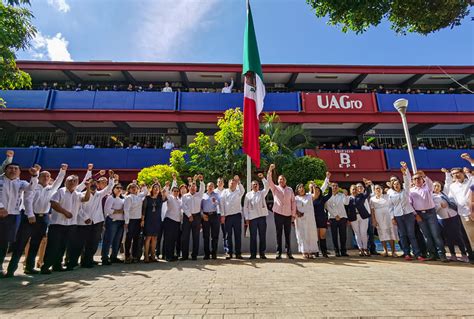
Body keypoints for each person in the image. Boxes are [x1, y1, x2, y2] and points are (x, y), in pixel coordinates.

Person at [6, 164, 67, 276]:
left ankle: (29, 268)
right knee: (20, 244)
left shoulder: (51, 189)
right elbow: (27, 200)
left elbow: (59, 181)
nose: (46, 178)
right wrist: (30, 214)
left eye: (48, 176)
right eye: (43, 176)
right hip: (29, 218)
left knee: (35, 244)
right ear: (38, 177)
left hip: (42, 218)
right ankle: (11, 270)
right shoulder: (33, 187)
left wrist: (62, 170)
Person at [40, 175, 91, 274]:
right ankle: (45, 266)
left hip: (71, 225)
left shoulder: (77, 193)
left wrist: (88, 188)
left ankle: (57, 265)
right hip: (57, 224)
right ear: (65, 182)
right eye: (70, 180)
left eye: (75, 181)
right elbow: (53, 203)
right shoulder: (60, 191)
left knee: (63, 246)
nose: (72, 182)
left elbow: (86, 199)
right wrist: (65, 212)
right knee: (53, 246)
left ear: (77, 183)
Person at [0, 163, 40, 278]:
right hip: (0, 213)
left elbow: (31, 188)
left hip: (13, 216)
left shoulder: (21, 183)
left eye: (16, 169)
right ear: (5, 170)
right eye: (10, 168)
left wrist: (34, 176)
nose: (13, 170)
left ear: (19, 172)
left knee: (5, 242)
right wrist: (1, 207)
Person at [72, 171, 115, 269]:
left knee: (94, 242)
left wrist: (111, 178)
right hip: (84, 222)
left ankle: (89, 260)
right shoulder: (81, 194)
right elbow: (79, 209)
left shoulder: (99, 194)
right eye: (91, 183)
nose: (93, 185)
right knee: (81, 243)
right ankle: (76, 262)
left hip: (97, 222)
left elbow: (109, 188)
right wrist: (85, 218)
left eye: (95, 184)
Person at [406, 164, 448, 262]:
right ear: (413, 181)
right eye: (415, 179)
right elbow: (410, 204)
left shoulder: (427, 188)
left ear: (422, 179)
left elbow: (430, 183)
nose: (417, 180)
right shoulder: (411, 191)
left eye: (419, 178)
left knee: (436, 234)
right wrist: (416, 215)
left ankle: (442, 254)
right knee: (427, 235)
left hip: (430, 213)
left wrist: (424, 175)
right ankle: (432, 254)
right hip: (419, 214)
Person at [389, 164, 425, 261]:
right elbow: (390, 207)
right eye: (394, 184)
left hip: (409, 215)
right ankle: (406, 253)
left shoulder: (406, 191)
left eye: (398, 184)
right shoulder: (390, 194)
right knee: (403, 235)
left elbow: (408, 181)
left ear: (400, 184)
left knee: (411, 234)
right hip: (398, 216)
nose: (396, 185)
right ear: (392, 186)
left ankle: (417, 254)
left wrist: (405, 173)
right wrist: (392, 218)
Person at [432, 181, 469, 262]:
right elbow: (433, 209)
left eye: (438, 186)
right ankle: (453, 254)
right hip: (442, 218)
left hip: (453, 216)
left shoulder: (444, 194)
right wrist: (439, 206)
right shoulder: (432, 197)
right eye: (434, 186)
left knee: (458, 235)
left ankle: (464, 254)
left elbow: (447, 183)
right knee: (448, 237)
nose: (436, 188)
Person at [445, 153, 474, 251]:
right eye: (453, 174)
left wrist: (470, 160)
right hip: (464, 214)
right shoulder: (452, 186)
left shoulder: (470, 180)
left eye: (457, 173)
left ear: (462, 173)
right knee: (471, 237)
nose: (455, 175)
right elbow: (451, 200)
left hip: (473, 210)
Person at [267, 164, 296, 259]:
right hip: (278, 214)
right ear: (278, 181)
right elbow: (269, 180)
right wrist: (270, 170)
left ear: (285, 181)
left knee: (288, 234)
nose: (281, 181)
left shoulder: (290, 189)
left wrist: (293, 215)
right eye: (280, 179)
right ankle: (278, 252)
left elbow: (293, 202)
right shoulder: (275, 188)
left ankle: (288, 252)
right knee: (278, 233)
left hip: (288, 214)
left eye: (283, 179)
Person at [243, 173, 269, 259]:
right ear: (251, 186)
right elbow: (245, 207)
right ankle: (253, 254)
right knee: (253, 237)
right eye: (253, 184)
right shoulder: (248, 195)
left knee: (262, 236)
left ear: (258, 186)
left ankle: (262, 253)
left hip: (262, 217)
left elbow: (267, 187)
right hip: (252, 218)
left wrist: (263, 178)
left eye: (256, 184)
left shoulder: (262, 193)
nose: (255, 186)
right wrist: (246, 218)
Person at [220, 175, 245, 259]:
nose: (232, 184)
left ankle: (238, 253)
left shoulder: (239, 191)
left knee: (238, 235)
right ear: (228, 184)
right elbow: (222, 204)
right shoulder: (225, 192)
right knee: (228, 235)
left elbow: (243, 190)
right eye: (231, 183)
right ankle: (229, 252)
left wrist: (239, 181)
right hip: (227, 217)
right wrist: (222, 215)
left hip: (237, 216)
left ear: (236, 184)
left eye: (234, 183)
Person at [181, 175, 205, 261]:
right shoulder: (184, 196)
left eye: (195, 186)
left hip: (197, 217)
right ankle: (184, 255)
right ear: (188, 187)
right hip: (187, 217)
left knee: (196, 236)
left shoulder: (199, 194)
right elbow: (183, 206)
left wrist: (201, 180)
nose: (193, 188)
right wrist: (189, 215)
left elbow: (202, 188)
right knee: (185, 237)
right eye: (191, 186)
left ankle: (194, 255)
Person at [370, 184, 398, 257]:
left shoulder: (387, 196)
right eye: (376, 189)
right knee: (381, 234)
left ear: (382, 189)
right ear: (374, 190)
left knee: (390, 233)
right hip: (378, 218)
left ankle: (393, 251)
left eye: (379, 188)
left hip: (388, 217)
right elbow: (372, 210)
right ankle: (385, 251)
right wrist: (374, 220)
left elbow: (392, 206)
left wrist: (393, 217)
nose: (378, 190)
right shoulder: (372, 199)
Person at [346, 180, 372, 256]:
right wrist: (348, 219)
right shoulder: (348, 198)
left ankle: (365, 248)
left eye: (355, 189)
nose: (354, 191)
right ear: (350, 190)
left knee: (363, 232)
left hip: (363, 216)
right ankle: (360, 249)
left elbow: (367, 193)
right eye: (353, 189)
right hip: (353, 217)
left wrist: (366, 186)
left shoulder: (361, 196)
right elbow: (346, 209)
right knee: (357, 233)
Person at [101, 183, 125, 265]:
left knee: (117, 240)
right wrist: (118, 211)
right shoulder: (110, 198)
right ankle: (104, 257)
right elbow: (107, 210)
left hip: (121, 221)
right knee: (108, 240)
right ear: (113, 189)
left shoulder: (123, 198)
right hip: (112, 221)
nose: (119, 189)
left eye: (120, 188)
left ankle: (114, 256)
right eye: (117, 187)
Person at [123, 182, 147, 263]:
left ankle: (134, 256)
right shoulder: (129, 197)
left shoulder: (139, 196)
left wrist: (143, 186)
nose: (134, 188)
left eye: (135, 187)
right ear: (129, 189)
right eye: (132, 187)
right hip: (131, 220)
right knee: (129, 239)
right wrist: (126, 222)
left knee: (136, 239)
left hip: (138, 220)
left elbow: (146, 192)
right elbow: (126, 210)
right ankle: (127, 256)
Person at [142, 183, 166, 263]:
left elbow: (165, 194)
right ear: (151, 189)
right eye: (154, 187)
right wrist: (142, 220)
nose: (156, 189)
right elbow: (144, 209)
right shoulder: (147, 198)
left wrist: (160, 184)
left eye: (157, 188)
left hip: (157, 220)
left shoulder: (160, 198)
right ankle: (146, 256)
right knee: (148, 237)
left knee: (155, 238)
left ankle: (153, 255)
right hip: (148, 220)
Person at [310, 172, 332, 258]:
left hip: (322, 219)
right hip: (314, 219)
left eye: (319, 190)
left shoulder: (323, 199)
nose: (317, 191)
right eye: (316, 190)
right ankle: (316, 252)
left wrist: (329, 186)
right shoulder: (311, 198)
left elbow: (330, 194)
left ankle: (324, 252)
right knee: (315, 237)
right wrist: (313, 185)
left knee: (322, 236)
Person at [294, 184, 319, 259]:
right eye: (299, 188)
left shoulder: (309, 196)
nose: (301, 189)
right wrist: (297, 212)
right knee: (302, 235)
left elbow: (316, 195)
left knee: (310, 234)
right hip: (300, 219)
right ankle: (304, 251)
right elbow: (293, 207)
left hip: (310, 219)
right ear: (297, 190)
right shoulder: (295, 198)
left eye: (302, 188)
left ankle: (310, 251)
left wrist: (314, 187)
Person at [325, 182, 350, 257]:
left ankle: (343, 251)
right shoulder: (328, 196)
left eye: (336, 186)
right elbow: (327, 207)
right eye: (333, 186)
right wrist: (335, 215)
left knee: (343, 235)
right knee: (334, 235)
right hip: (333, 218)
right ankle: (337, 251)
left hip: (343, 218)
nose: (335, 187)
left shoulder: (342, 195)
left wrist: (346, 195)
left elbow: (346, 203)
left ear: (338, 188)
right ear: (331, 187)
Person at [201, 181, 221, 260]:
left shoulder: (216, 195)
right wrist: (202, 214)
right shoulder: (203, 195)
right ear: (206, 187)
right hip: (206, 216)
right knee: (206, 236)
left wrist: (215, 202)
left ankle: (214, 253)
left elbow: (219, 204)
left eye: (212, 186)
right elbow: (200, 207)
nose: (210, 187)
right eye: (209, 186)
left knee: (215, 236)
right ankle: (206, 254)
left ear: (213, 187)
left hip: (214, 215)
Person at [162, 184, 182, 262]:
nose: (176, 192)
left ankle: (171, 255)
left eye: (177, 191)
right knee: (168, 239)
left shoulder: (179, 200)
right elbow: (165, 192)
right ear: (172, 191)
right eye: (175, 191)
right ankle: (167, 256)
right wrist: (166, 186)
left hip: (177, 222)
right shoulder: (170, 197)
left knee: (173, 240)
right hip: (169, 220)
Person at [215, 177, 228, 254]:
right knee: (215, 234)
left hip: (224, 214)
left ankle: (227, 250)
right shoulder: (214, 191)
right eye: (219, 181)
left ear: (223, 183)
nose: (220, 183)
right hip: (216, 214)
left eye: (221, 181)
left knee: (225, 233)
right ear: (217, 183)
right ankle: (214, 251)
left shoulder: (226, 191)